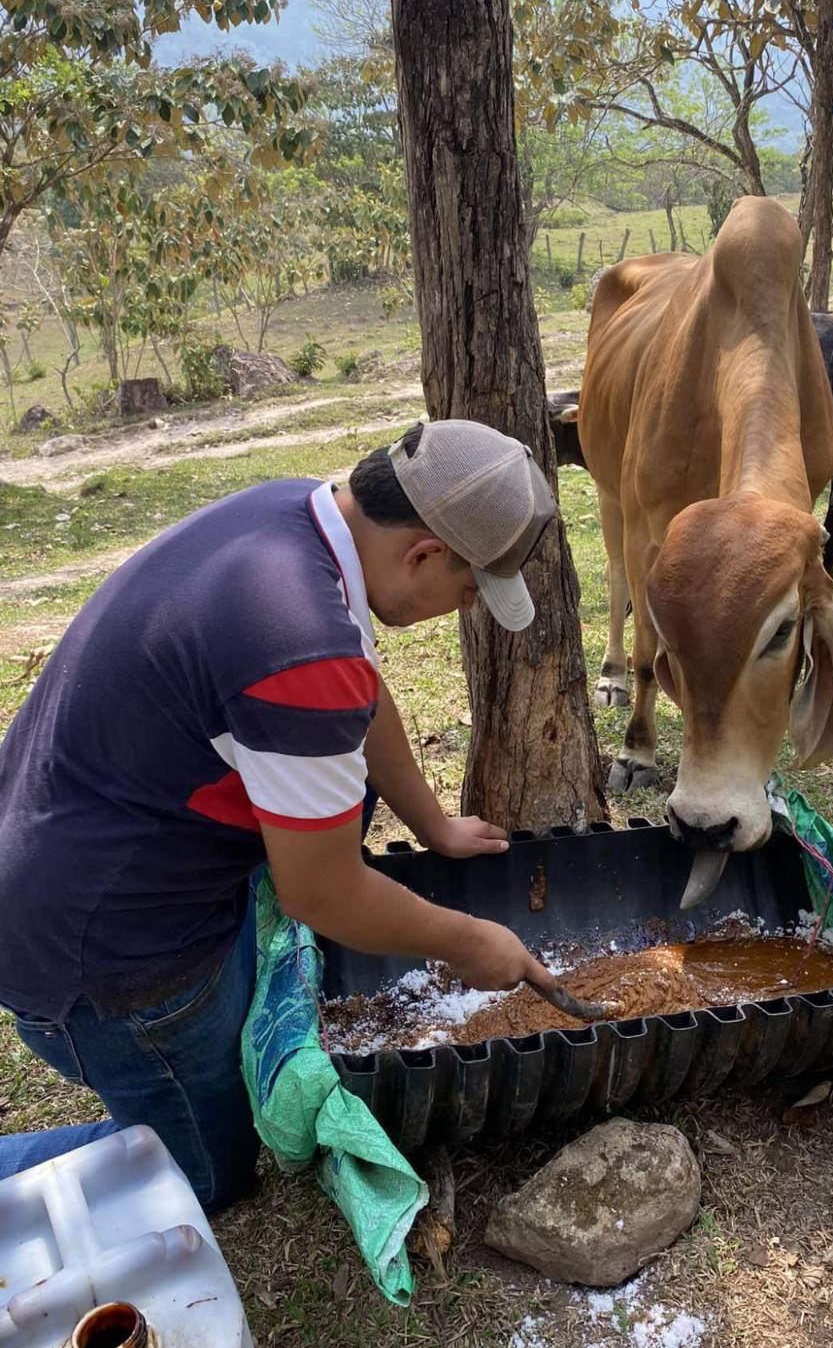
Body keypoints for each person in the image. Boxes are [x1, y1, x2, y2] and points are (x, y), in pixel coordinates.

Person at [0, 419, 562, 1210]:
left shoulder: (297, 518)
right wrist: (467, 942)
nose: (462, 609)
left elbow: (360, 695)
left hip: (73, 843)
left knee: (339, 803)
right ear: (425, 555)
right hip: (106, 952)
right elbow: (321, 895)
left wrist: (433, 826)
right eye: (470, 591)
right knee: (203, 1177)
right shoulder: (300, 643)